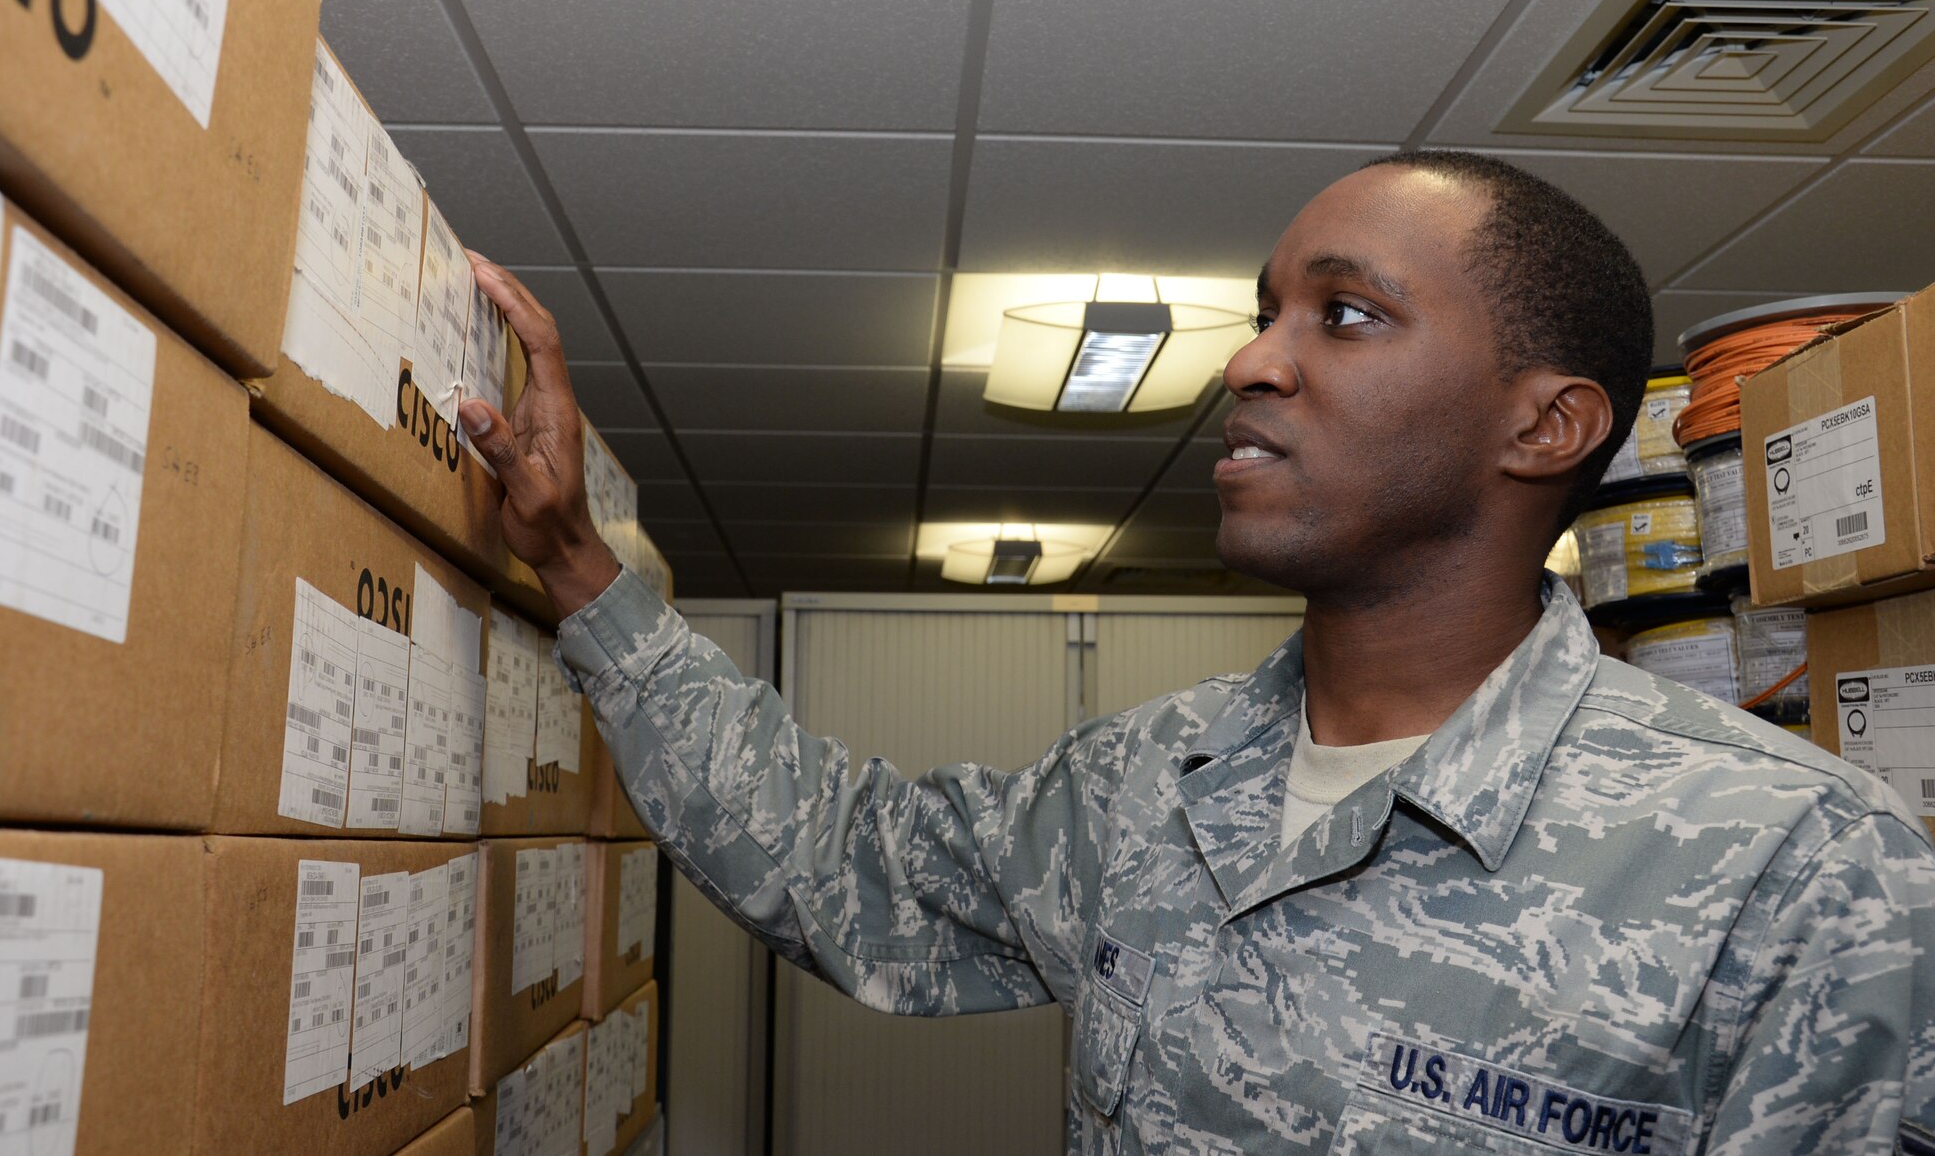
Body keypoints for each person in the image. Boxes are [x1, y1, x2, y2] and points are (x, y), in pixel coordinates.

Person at [457, 150, 1935, 1156]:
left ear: (1545, 425)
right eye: (1265, 314)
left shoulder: (1803, 867)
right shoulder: (1146, 782)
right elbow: (854, 860)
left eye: (1345, 315)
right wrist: (582, 571)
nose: (1250, 363)